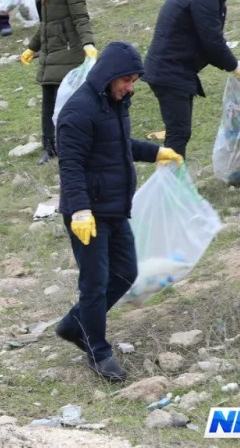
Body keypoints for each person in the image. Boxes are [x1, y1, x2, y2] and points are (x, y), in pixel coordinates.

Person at [55, 41, 183, 382]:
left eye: (133, 81)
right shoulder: (78, 111)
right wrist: (80, 210)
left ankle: (74, 324)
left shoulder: (115, 103)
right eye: (126, 80)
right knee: (95, 284)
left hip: (114, 208)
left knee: (125, 272)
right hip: (87, 214)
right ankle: (98, 352)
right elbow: (70, 166)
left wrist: (156, 152)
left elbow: (118, 146)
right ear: (109, 75)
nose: (130, 87)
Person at [143, 0, 240, 158]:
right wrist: (235, 67)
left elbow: (207, 41)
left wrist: (232, 65)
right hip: (170, 70)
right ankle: (173, 176)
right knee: (178, 132)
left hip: (172, 68)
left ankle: (175, 174)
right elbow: (212, 41)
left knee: (179, 131)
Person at [20, 0, 97, 164]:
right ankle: (50, 148)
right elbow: (46, 24)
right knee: (48, 103)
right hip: (50, 53)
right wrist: (32, 47)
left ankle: (76, 145)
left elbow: (81, 17)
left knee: (70, 104)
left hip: (68, 51)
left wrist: (88, 44)